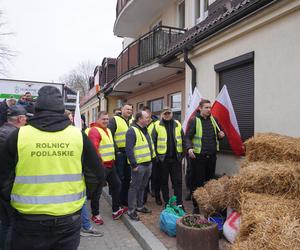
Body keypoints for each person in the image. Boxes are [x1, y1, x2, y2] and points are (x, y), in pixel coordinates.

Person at [0, 86, 105, 250]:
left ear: (37, 108)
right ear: (61, 108)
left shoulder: (19, 136)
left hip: (28, 219)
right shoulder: (78, 136)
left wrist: (12, 199)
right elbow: (97, 174)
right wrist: (84, 196)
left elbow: (3, 177)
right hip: (68, 219)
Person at [63, 109, 102, 237]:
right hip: (71, 178)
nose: (73, 119)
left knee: (81, 201)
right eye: (71, 117)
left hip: (76, 177)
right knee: (79, 202)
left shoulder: (77, 133)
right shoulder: (75, 134)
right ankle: (82, 226)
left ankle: (84, 226)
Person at [185, 99, 225, 214]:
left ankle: (208, 204)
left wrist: (221, 135)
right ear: (200, 108)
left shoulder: (214, 120)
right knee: (197, 183)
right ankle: (196, 206)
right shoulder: (194, 121)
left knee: (210, 182)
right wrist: (189, 148)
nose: (209, 110)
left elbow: (220, 134)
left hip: (211, 157)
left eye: (210, 107)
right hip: (198, 158)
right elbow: (187, 137)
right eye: (206, 107)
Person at [87, 111, 126, 225]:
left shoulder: (108, 130)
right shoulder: (94, 131)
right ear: (98, 119)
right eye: (103, 119)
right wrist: (98, 165)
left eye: (107, 119)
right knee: (97, 192)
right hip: (101, 166)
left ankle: (115, 210)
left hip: (110, 165)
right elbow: (94, 150)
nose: (106, 121)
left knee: (117, 185)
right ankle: (95, 214)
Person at [0, 105, 27, 250]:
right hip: (8, 188)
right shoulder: (16, 136)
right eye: (25, 119)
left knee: (4, 223)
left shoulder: (2, 130)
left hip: (2, 186)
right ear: (20, 119)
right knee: (12, 224)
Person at [152, 107, 185, 208]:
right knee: (164, 182)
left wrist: (182, 154)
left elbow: (183, 139)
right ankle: (167, 202)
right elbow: (153, 142)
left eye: (169, 113)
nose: (167, 115)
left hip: (176, 159)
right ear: (162, 114)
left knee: (178, 182)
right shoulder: (157, 125)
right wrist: (157, 158)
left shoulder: (177, 124)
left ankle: (179, 203)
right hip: (163, 160)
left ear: (172, 113)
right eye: (165, 113)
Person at [126, 111, 155, 221]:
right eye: (146, 117)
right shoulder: (131, 131)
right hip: (138, 166)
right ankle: (131, 210)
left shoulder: (145, 129)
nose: (149, 119)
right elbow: (129, 149)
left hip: (147, 164)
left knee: (142, 187)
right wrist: (134, 164)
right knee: (134, 188)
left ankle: (139, 206)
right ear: (139, 119)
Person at [108, 103, 133, 207]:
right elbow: (109, 135)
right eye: (127, 109)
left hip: (129, 153)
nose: (129, 111)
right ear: (122, 109)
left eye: (131, 110)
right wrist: (116, 150)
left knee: (127, 178)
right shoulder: (115, 120)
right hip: (120, 154)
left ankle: (124, 200)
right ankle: (117, 202)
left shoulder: (132, 121)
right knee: (119, 179)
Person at [141, 106, 160, 205]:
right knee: (144, 179)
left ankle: (157, 196)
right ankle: (143, 199)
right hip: (143, 157)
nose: (146, 119)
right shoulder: (140, 126)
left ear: (150, 115)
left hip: (154, 156)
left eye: (147, 117)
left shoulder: (157, 124)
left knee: (156, 177)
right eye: (144, 117)